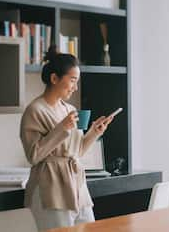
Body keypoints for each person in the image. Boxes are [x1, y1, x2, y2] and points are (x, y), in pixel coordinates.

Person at [20, 46, 113, 230]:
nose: (75, 87)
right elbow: (34, 155)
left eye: (77, 81)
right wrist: (61, 128)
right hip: (51, 188)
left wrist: (95, 132)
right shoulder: (35, 111)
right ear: (54, 78)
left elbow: (76, 151)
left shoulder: (69, 109)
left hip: (77, 185)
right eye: (72, 80)